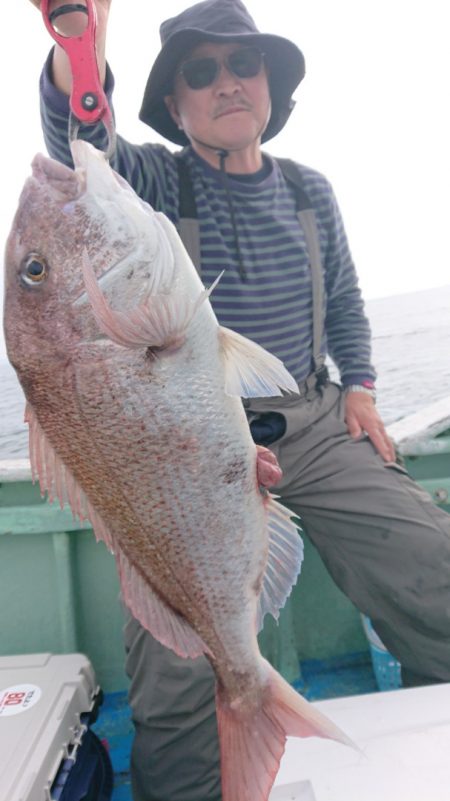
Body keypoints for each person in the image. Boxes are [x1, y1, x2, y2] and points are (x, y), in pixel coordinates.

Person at [30, 1, 450, 799]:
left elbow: (348, 304)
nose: (227, 82)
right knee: (174, 661)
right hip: (183, 445)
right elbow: (78, 140)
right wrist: (81, 42)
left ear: (269, 84)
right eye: (201, 71)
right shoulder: (154, 181)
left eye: (244, 64)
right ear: (175, 103)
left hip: (314, 421)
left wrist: (361, 388)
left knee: (431, 563)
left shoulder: (311, 190)